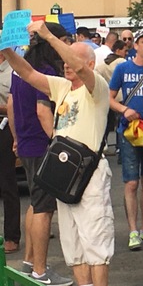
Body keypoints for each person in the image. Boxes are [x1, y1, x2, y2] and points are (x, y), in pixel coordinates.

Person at [1, 20, 113, 286]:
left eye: (74, 56)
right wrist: (7, 50)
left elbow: (76, 65)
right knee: (74, 247)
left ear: (88, 64)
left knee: (96, 247)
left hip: (90, 174)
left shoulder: (96, 87)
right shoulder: (62, 87)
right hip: (63, 173)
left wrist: (49, 36)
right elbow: (27, 73)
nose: (67, 62)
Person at [7, 23, 73, 286]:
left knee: (35, 204)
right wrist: (60, 143)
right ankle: (40, 271)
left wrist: (15, 138)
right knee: (44, 208)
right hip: (43, 146)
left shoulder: (19, 71)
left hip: (25, 143)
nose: (65, 46)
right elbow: (43, 111)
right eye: (64, 41)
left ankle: (28, 263)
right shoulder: (44, 73)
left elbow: (12, 105)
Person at [109, 28, 143, 251]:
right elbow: (109, 99)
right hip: (129, 130)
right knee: (131, 182)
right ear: (135, 45)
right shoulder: (122, 68)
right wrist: (124, 109)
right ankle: (132, 230)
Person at [0, 53, 21, 255]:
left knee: (7, 184)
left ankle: (12, 236)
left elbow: (17, 105)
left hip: (5, 127)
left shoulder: (12, 72)